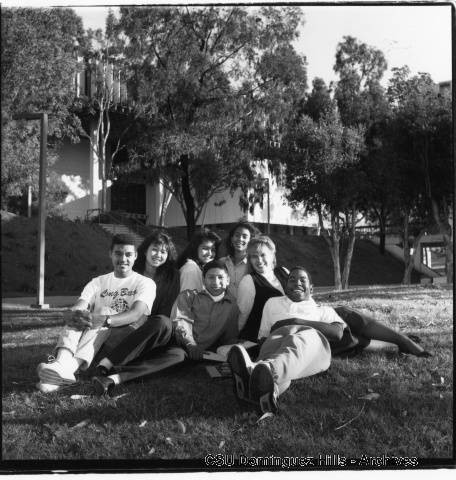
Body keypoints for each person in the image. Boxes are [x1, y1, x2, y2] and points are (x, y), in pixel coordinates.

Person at [229, 266, 431, 414]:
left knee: (304, 337)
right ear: (285, 285)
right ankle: (261, 390)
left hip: (311, 348)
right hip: (276, 345)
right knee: (282, 365)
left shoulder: (322, 310)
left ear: (312, 288)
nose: (296, 283)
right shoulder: (272, 304)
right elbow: (263, 336)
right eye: (291, 279)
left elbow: (336, 334)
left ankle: (261, 372)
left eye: (302, 280)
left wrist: (296, 321)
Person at [36, 234, 156, 393]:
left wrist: (105, 320)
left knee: (104, 312)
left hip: (123, 340)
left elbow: (136, 314)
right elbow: (80, 304)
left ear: (135, 256)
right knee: (78, 315)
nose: (123, 259)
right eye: (118, 253)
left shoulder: (145, 283)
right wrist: (74, 314)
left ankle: (65, 366)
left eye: (128, 254)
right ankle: (62, 369)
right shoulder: (98, 281)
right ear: (110, 254)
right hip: (93, 339)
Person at [91, 230, 182, 395]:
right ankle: (112, 368)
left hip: (153, 329)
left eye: (163, 252)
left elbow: (166, 309)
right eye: (154, 249)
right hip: (126, 326)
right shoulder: (132, 269)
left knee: (177, 351)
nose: (158, 255)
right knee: (170, 349)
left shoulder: (172, 275)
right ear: (145, 250)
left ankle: (111, 371)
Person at [172, 260, 239, 360]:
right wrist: (190, 344)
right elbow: (181, 322)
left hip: (207, 353)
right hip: (182, 345)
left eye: (220, 277)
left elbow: (229, 336)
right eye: (211, 277)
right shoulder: (188, 296)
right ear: (203, 280)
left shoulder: (232, 305)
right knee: (178, 357)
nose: (216, 282)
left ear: (228, 280)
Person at [236, 236, 289, 343]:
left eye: (263, 255)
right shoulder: (248, 281)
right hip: (260, 339)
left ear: (272, 255)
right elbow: (243, 315)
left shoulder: (284, 272)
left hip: (286, 333)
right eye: (254, 256)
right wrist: (238, 338)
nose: (259, 260)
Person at [220, 219, 260, 299]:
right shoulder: (222, 263)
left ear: (250, 241)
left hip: (248, 310)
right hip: (225, 309)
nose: (240, 239)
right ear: (231, 238)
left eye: (244, 237)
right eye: (237, 235)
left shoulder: (255, 264)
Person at [177, 228, 222, 292]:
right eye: (205, 248)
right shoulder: (191, 269)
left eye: (213, 250)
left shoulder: (199, 267)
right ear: (195, 248)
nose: (210, 253)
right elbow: (188, 300)